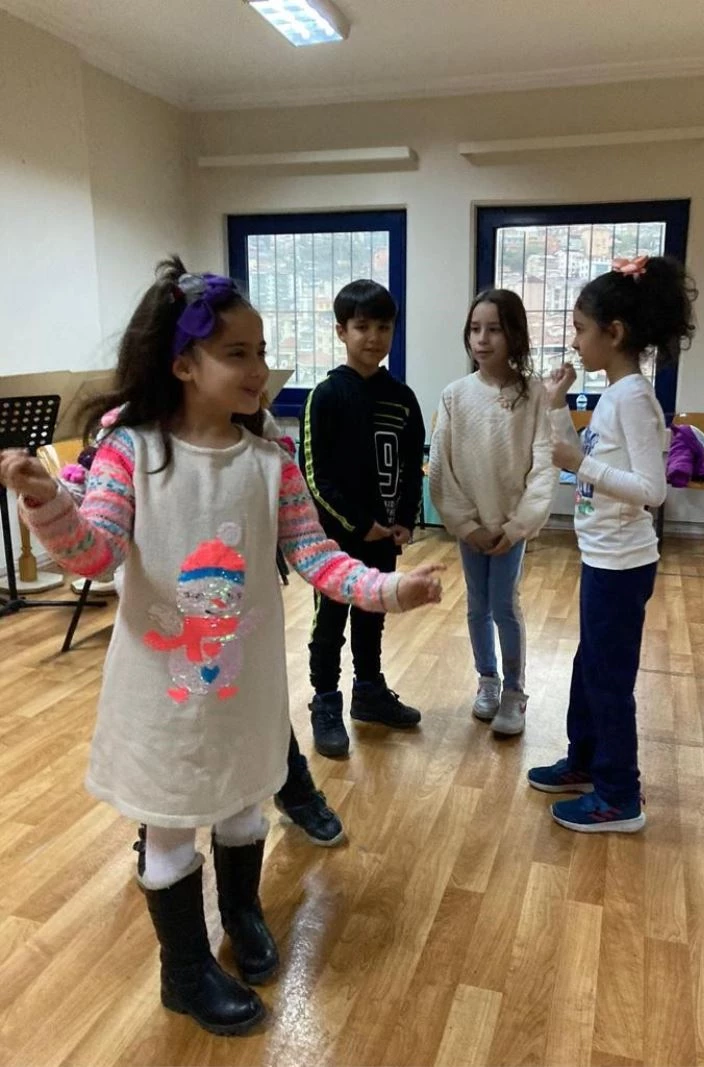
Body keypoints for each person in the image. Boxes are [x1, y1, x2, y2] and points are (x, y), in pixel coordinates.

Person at [0, 257, 442, 1037]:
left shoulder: (271, 458)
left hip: (246, 689)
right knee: (171, 822)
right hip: (163, 697)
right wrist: (46, 501)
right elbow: (94, 552)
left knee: (244, 804)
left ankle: (241, 910)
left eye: (261, 351)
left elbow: (318, 555)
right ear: (183, 363)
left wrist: (388, 588)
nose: (258, 368)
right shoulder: (132, 450)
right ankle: (184, 970)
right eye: (237, 352)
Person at [528, 254, 696, 832]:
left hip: (623, 565)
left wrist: (581, 463)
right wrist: (557, 408)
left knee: (608, 678)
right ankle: (585, 762)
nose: (575, 342)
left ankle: (620, 796)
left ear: (614, 332)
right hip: (603, 557)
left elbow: (653, 491)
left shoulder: (634, 399)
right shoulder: (615, 394)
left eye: (580, 329)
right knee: (590, 666)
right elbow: (574, 459)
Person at [300, 279, 426, 758]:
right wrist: (358, 523)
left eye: (384, 327)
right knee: (329, 622)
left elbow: (412, 466)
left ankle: (369, 692)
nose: (374, 337)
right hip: (336, 542)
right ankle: (325, 702)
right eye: (362, 327)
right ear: (341, 331)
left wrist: (405, 520)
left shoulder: (402, 398)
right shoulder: (326, 395)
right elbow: (316, 475)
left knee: (373, 614)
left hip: (384, 538)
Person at [429, 289, 557, 736]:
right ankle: (488, 679)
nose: (482, 339)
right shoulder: (455, 395)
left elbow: (544, 466)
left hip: (509, 528)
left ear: (514, 334)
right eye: (475, 329)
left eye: (494, 329)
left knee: (504, 604)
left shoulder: (533, 394)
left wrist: (518, 525)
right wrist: (466, 525)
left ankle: (515, 691)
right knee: (477, 605)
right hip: (473, 529)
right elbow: (442, 468)